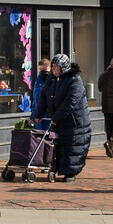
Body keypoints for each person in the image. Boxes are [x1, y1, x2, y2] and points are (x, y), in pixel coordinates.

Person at [41, 53, 90, 181]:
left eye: (56, 67)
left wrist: (56, 117)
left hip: (75, 122)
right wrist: (37, 115)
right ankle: (60, 170)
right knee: (61, 146)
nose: (53, 69)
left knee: (72, 146)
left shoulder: (75, 81)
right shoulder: (51, 79)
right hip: (60, 119)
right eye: (52, 67)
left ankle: (71, 173)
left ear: (63, 68)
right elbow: (43, 97)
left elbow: (70, 103)